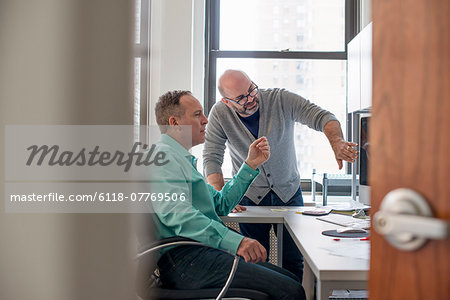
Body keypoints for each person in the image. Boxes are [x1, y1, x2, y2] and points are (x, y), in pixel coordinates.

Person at [203, 70, 358, 282]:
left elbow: (323, 117)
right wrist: (222, 195)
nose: (250, 99)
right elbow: (212, 158)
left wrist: (337, 142)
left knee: (293, 259)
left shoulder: (280, 99)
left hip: (289, 194)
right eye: (241, 98)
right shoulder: (219, 114)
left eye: (251, 90)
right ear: (227, 102)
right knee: (256, 260)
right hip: (249, 198)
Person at [149, 90, 306, 300]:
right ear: (175, 122)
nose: (205, 120)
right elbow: (178, 215)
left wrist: (250, 164)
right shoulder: (163, 158)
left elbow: (221, 204)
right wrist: (237, 242)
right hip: (186, 260)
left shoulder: (182, 161)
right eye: (197, 115)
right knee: (290, 290)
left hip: (200, 253)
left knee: (291, 280)